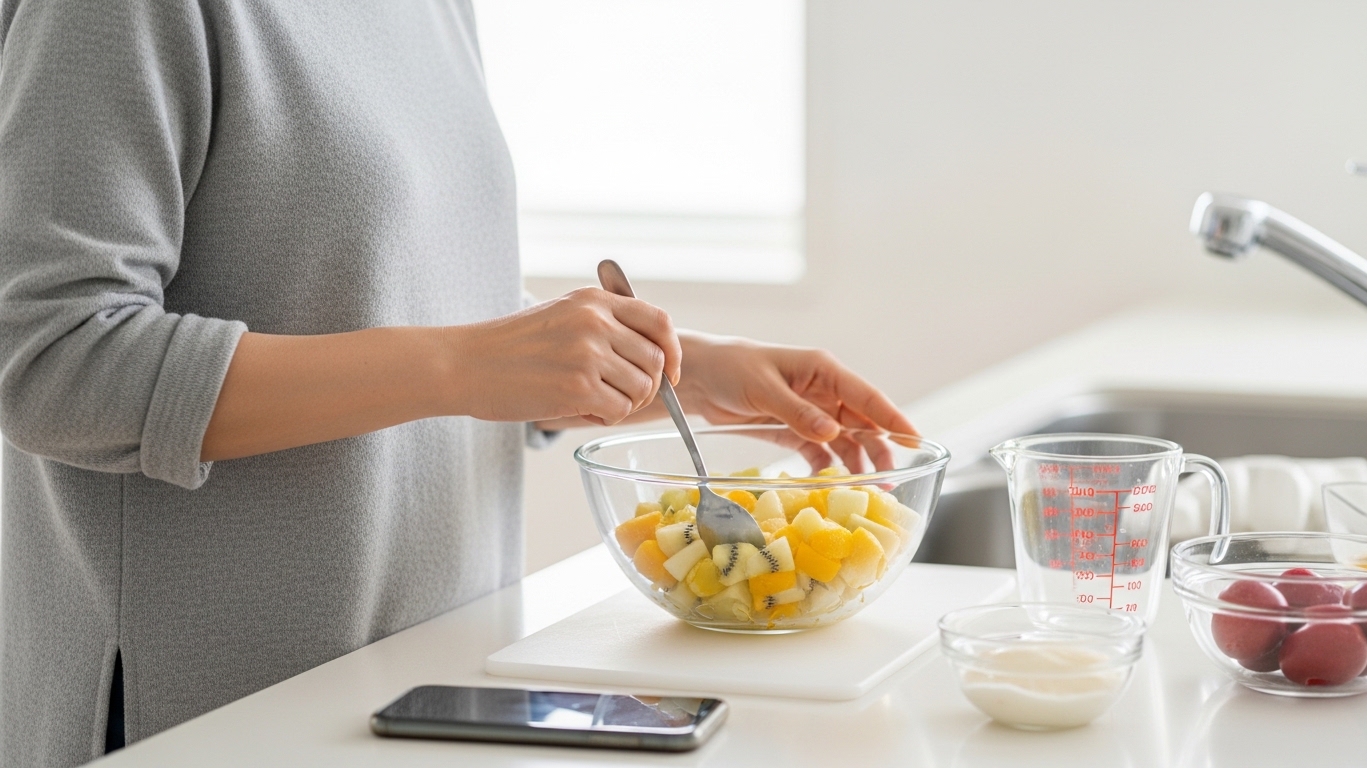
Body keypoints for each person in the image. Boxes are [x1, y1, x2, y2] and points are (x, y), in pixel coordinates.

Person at [0, 2, 917, 765]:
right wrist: (465, 365)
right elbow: (50, 358)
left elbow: (400, 297)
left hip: (430, 687)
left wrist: (690, 372)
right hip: (212, 714)